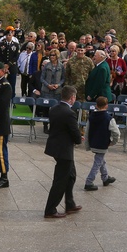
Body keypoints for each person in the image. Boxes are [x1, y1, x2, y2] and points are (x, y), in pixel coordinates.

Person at [44, 85, 83, 218]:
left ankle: (70, 203)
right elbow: (75, 134)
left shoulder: (54, 109)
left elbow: (61, 128)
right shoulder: (69, 113)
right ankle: (50, 209)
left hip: (55, 147)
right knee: (60, 180)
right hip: (64, 150)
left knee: (71, 175)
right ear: (72, 98)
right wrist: (79, 139)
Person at [83, 95, 118, 191]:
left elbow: (87, 131)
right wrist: (112, 142)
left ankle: (105, 177)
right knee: (98, 162)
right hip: (103, 144)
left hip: (93, 143)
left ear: (96, 105)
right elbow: (116, 133)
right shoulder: (109, 118)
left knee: (101, 160)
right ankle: (89, 182)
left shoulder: (91, 117)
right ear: (106, 106)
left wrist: (87, 144)